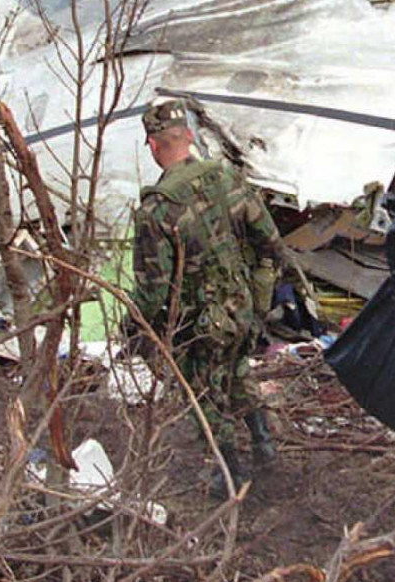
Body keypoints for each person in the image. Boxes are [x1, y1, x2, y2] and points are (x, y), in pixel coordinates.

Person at [131, 98, 284, 499]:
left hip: (199, 321)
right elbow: (269, 242)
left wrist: (136, 329)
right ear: (188, 137)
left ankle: (229, 472)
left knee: (203, 394)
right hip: (241, 305)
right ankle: (264, 445)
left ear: (152, 144)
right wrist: (257, 299)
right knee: (237, 372)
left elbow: (153, 288)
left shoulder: (157, 210)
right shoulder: (227, 179)